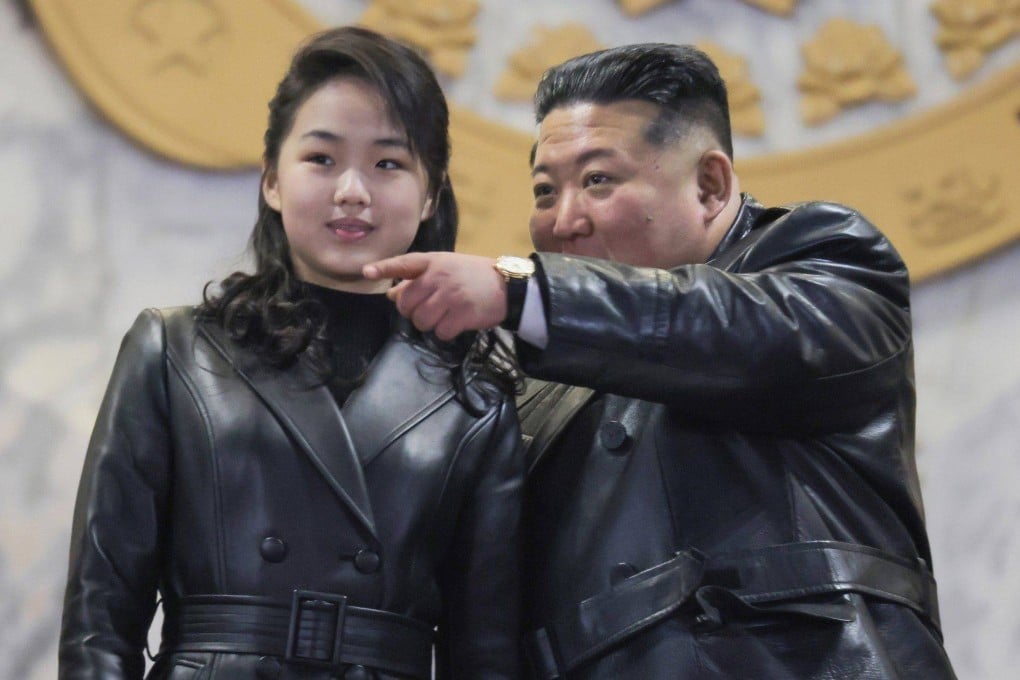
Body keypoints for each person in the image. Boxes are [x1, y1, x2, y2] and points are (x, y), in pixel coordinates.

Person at [363, 43, 957, 678]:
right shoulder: (535, 383)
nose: (564, 220)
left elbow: (737, 331)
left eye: (598, 180)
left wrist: (520, 290)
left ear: (710, 185)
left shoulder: (825, 260)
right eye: (544, 190)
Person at [59, 26, 524, 680]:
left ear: (429, 194)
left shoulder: (475, 397)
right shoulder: (176, 350)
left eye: (388, 163)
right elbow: (101, 614)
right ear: (273, 180)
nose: (352, 190)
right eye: (322, 158)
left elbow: (487, 654)